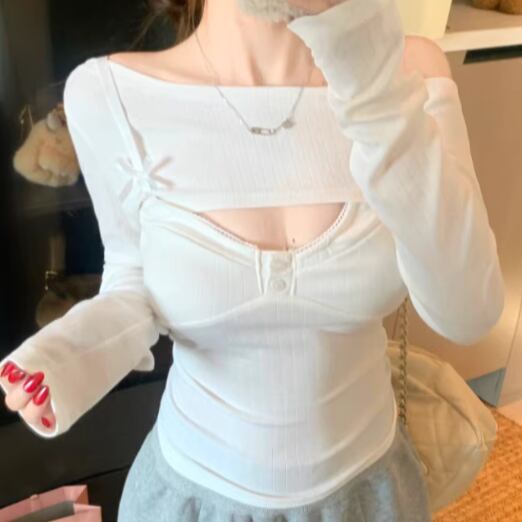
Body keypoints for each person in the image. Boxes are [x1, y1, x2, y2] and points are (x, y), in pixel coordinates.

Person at [1, 0, 505, 520]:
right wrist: (71, 354)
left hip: (368, 493)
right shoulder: (108, 95)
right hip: (190, 497)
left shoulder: (411, 71)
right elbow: (130, 280)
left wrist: (372, 83)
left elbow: (468, 312)